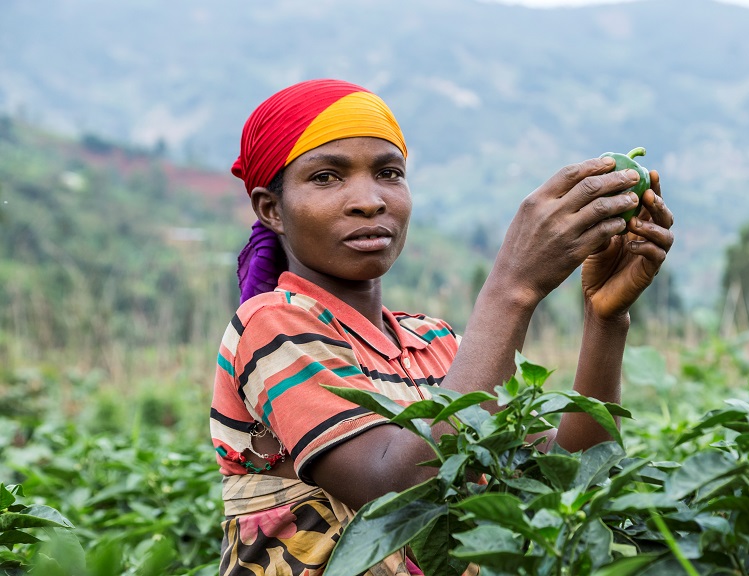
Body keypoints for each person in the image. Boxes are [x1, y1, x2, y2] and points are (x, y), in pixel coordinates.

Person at [209, 78, 675, 576]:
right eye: (327, 177)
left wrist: (605, 320)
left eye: (389, 173)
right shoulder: (272, 323)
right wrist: (512, 287)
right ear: (272, 209)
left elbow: (568, 480)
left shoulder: (436, 341)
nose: (369, 200)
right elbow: (389, 484)